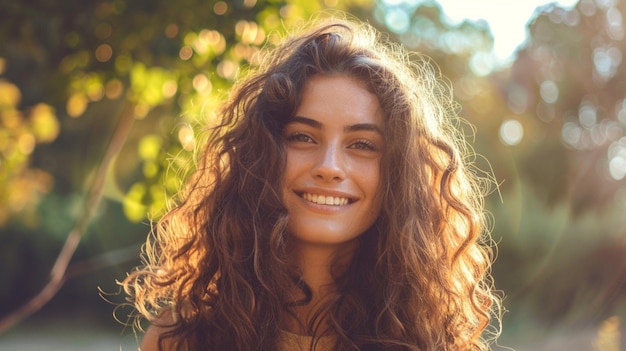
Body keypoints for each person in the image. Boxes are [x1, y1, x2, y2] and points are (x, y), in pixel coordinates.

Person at [121, 14, 501, 351]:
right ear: (260, 154)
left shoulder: (435, 343)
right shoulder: (181, 338)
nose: (329, 167)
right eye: (302, 137)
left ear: (400, 177)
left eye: (363, 145)